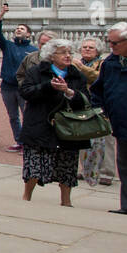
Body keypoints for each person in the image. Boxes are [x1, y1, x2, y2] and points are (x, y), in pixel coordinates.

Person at [18, 38, 89, 207]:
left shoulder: (76, 74)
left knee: (67, 166)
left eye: (69, 52)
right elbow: (26, 92)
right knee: (34, 166)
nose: (67, 56)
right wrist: (48, 87)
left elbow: (86, 100)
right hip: (40, 124)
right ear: (51, 56)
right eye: (63, 52)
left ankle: (66, 201)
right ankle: (27, 196)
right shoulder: (36, 71)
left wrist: (69, 92)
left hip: (68, 127)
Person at [90, 22, 127, 216]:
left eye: (115, 43)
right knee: (126, 168)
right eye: (109, 42)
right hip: (122, 125)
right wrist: (99, 109)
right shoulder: (110, 63)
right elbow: (98, 90)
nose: (111, 47)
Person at [0, 4, 37, 152]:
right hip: (7, 87)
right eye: (17, 28)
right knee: (13, 117)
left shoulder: (33, 50)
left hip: (24, 88)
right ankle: (19, 141)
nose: (18, 30)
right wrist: (1, 15)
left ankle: (28, 141)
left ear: (29, 35)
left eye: (22, 29)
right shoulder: (8, 46)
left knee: (28, 116)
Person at [72, 37, 115, 186]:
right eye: (84, 47)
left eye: (91, 47)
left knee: (106, 140)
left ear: (98, 51)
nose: (87, 49)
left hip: (100, 105)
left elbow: (98, 78)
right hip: (81, 104)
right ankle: (83, 169)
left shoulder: (104, 64)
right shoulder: (74, 63)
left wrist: (82, 69)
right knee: (81, 138)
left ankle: (106, 172)